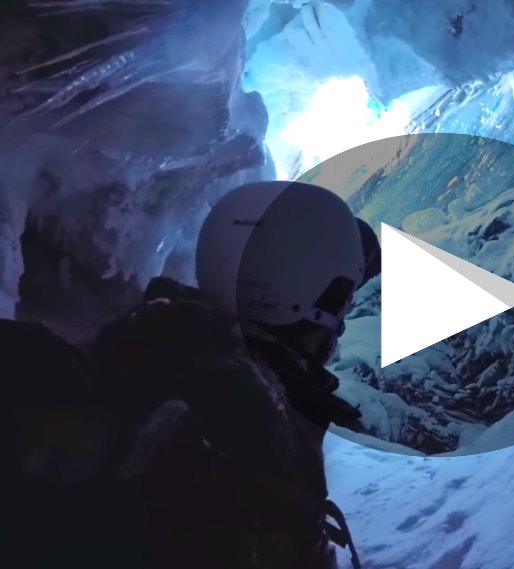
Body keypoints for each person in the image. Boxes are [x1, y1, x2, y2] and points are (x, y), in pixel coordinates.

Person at [2, 181, 376, 568]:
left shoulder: (160, 345)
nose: (340, 324)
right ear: (302, 293)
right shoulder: (247, 419)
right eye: (341, 302)